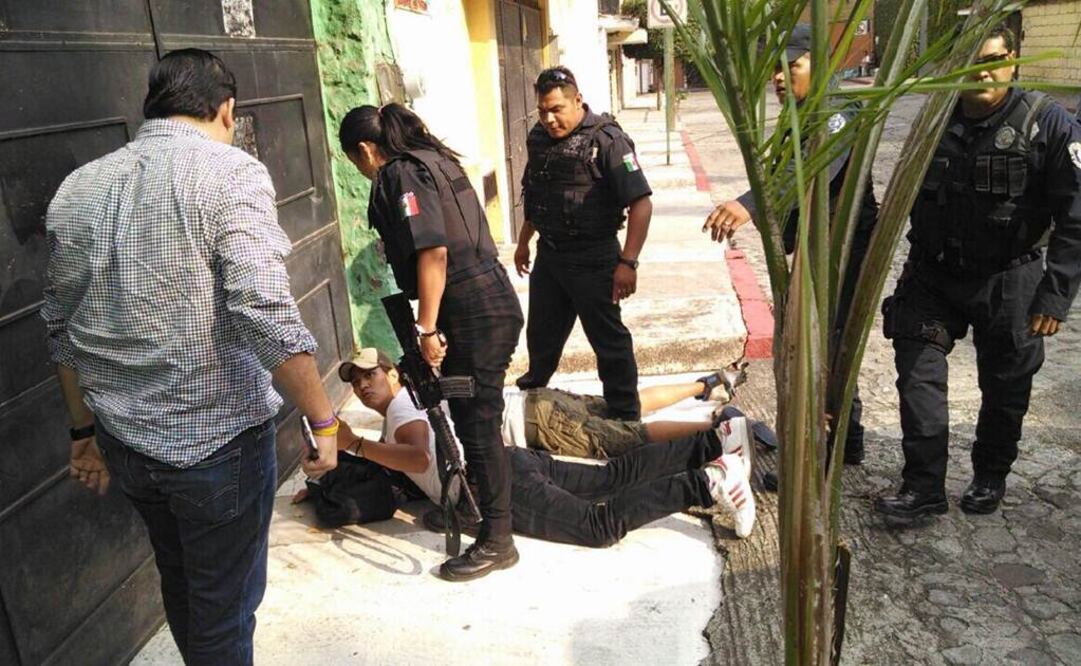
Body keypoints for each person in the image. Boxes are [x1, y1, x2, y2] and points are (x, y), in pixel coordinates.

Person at [42, 49, 339, 665]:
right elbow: (264, 311)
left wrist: (82, 433)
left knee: (182, 584)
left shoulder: (79, 186)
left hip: (126, 445)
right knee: (224, 613)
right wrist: (324, 419)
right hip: (216, 449)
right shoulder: (230, 172)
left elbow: (60, 325)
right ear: (226, 110)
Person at [874, 25, 1081, 521]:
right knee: (918, 376)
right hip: (933, 276)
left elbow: (1077, 215)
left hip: (1009, 281)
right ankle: (923, 486)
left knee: (1006, 389)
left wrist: (1055, 294)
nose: (982, 72)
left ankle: (990, 475)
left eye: (993, 60)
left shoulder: (1046, 122)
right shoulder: (934, 119)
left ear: (1013, 60)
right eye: (970, 63)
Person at [338, 104, 523, 581]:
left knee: (478, 425)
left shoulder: (401, 173)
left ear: (366, 150)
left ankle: (498, 540)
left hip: (472, 309)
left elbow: (433, 253)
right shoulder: (431, 160)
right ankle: (477, 513)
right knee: (468, 417)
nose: (361, 171)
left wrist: (426, 327)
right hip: (484, 299)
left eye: (356, 162)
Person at [320, 350, 757, 546]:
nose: (362, 386)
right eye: (355, 382)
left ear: (392, 375)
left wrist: (355, 443)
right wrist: (333, 474)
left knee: (598, 526)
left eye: (369, 376)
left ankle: (711, 481)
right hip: (509, 460)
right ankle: (714, 441)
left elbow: (417, 456)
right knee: (612, 476)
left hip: (494, 483)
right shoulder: (408, 405)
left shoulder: (401, 410)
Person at [702, 23, 879, 468]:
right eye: (775, 71)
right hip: (815, 249)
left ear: (820, 64)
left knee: (827, 345)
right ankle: (842, 442)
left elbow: (807, 171)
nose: (779, 78)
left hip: (843, 250)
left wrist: (748, 205)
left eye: (791, 66)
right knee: (817, 344)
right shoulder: (797, 115)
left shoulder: (838, 110)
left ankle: (835, 446)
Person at [514, 66, 653, 422]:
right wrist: (524, 242)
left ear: (577, 100)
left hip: (594, 258)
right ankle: (530, 402)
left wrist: (628, 262)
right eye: (542, 111)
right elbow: (537, 193)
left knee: (608, 341)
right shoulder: (538, 137)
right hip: (550, 255)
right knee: (541, 336)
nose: (548, 119)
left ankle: (625, 417)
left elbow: (641, 203)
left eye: (556, 109)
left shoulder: (607, 141)